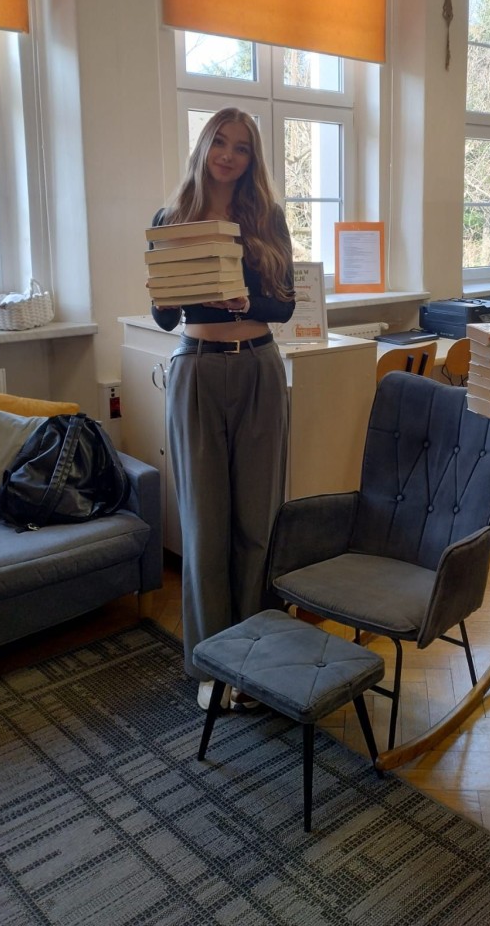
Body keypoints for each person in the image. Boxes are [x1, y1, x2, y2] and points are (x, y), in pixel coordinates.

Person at [150, 107, 295, 711]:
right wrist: (170, 289)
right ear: (203, 147)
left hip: (259, 366)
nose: (229, 156)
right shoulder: (170, 219)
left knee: (257, 523)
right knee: (204, 525)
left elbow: (285, 306)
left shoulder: (267, 217)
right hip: (197, 370)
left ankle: (254, 659)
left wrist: (246, 300)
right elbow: (163, 317)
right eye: (220, 143)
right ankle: (213, 664)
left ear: (252, 157)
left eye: (241, 147)